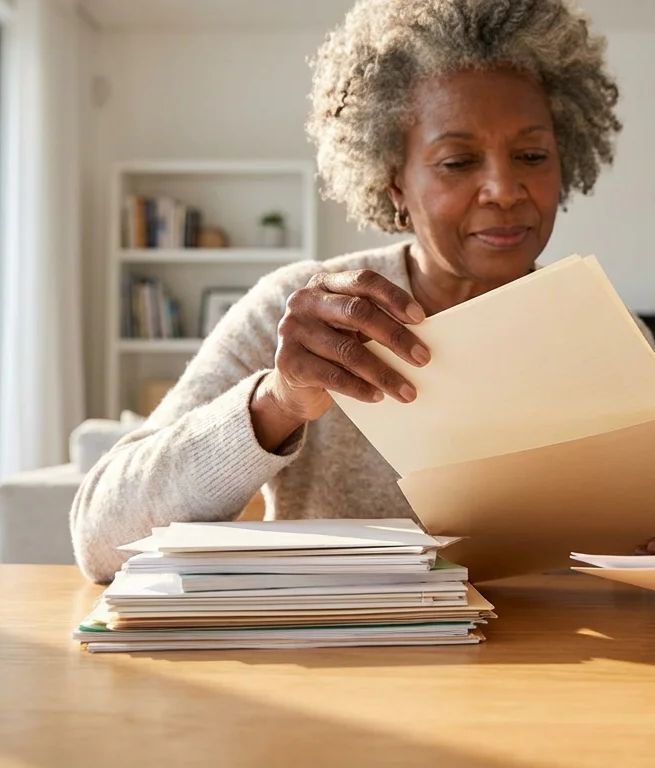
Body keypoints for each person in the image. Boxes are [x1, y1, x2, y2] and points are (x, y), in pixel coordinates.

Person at [71, 0, 625, 584]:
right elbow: (102, 540)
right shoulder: (301, 314)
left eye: (532, 156)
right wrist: (278, 403)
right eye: (458, 161)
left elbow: (648, 549)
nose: (504, 189)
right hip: (341, 664)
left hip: (553, 668)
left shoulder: (604, 330)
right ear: (394, 184)